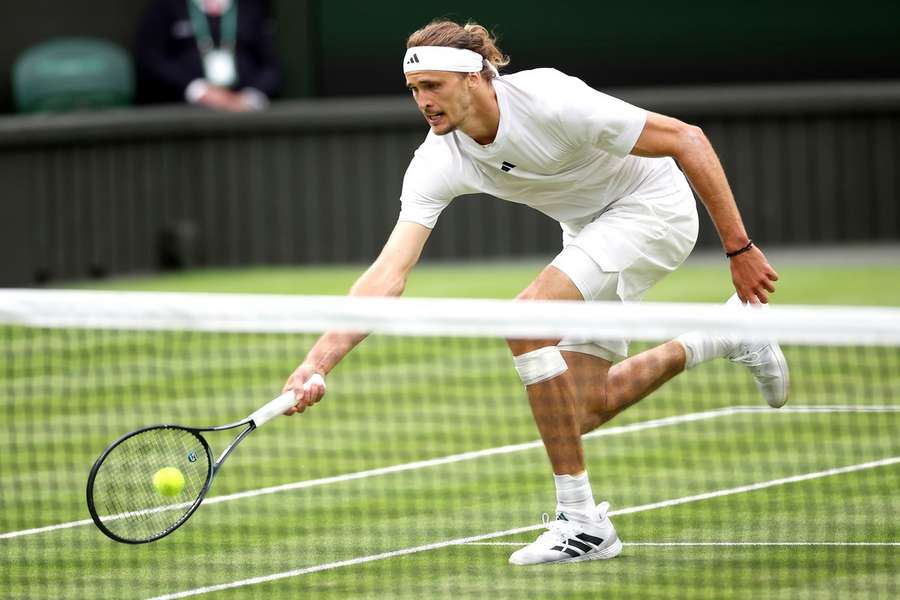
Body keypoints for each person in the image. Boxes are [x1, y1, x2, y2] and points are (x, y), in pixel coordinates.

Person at [282, 19, 789, 566]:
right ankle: (725, 335)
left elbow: (688, 139)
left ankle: (583, 522)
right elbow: (387, 275)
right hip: (588, 228)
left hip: (653, 209)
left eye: (434, 87)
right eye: (414, 90)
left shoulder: (550, 99)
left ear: (475, 76)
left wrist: (739, 250)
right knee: (579, 412)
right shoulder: (438, 158)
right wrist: (317, 363)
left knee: (525, 321)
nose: (423, 102)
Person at [136, 0, 281, 111]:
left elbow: (271, 66)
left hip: (246, 113)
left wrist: (249, 97)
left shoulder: (252, 6)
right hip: (184, 115)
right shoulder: (165, 6)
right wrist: (198, 90)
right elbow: (151, 60)